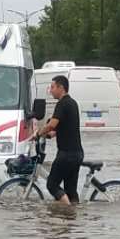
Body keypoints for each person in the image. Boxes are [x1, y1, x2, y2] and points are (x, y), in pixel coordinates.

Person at [37, 74, 82, 203]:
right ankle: (73, 218)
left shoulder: (62, 104)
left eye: (52, 87)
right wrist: (49, 134)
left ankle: (66, 211)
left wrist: (39, 133)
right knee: (71, 190)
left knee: (51, 185)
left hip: (66, 154)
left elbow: (52, 125)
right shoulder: (73, 103)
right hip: (77, 153)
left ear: (61, 87)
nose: (50, 91)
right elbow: (64, 127)